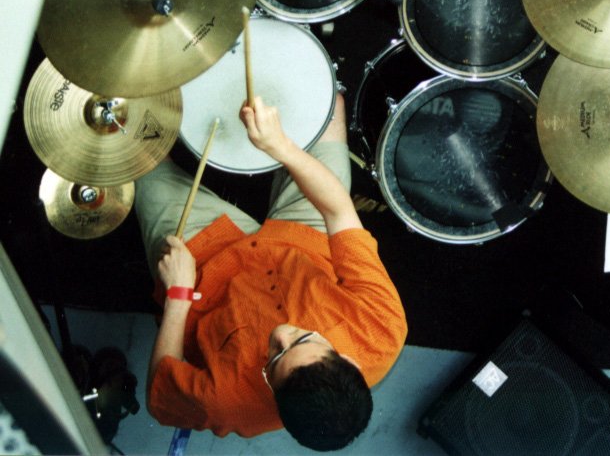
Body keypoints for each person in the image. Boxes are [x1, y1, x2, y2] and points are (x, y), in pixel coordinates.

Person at [134, 93, 407, 451]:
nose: (280, 334)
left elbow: (160, 390)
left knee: (137, 151)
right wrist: (281, 147)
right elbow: (339, 213)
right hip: (304, 237)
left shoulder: (230, 405)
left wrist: (178, 297)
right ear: (349, 361)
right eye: (303, 339)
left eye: (273, 359)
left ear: (274, 401)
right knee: (326, 104)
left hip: (205, 271)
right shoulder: (382, 329)